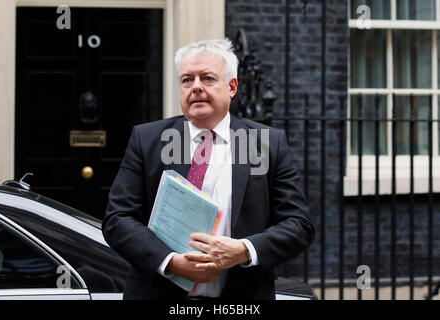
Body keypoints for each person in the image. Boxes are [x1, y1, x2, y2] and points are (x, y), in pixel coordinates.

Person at [102, 38, 314, 300]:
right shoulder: (146, 140)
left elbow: (299, 225)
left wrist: (244, 249)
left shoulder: (268, 144)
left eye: (208, 78)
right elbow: (117, 219)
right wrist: (170, 262)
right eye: (187, 79)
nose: (196, 87)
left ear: (232, 86)